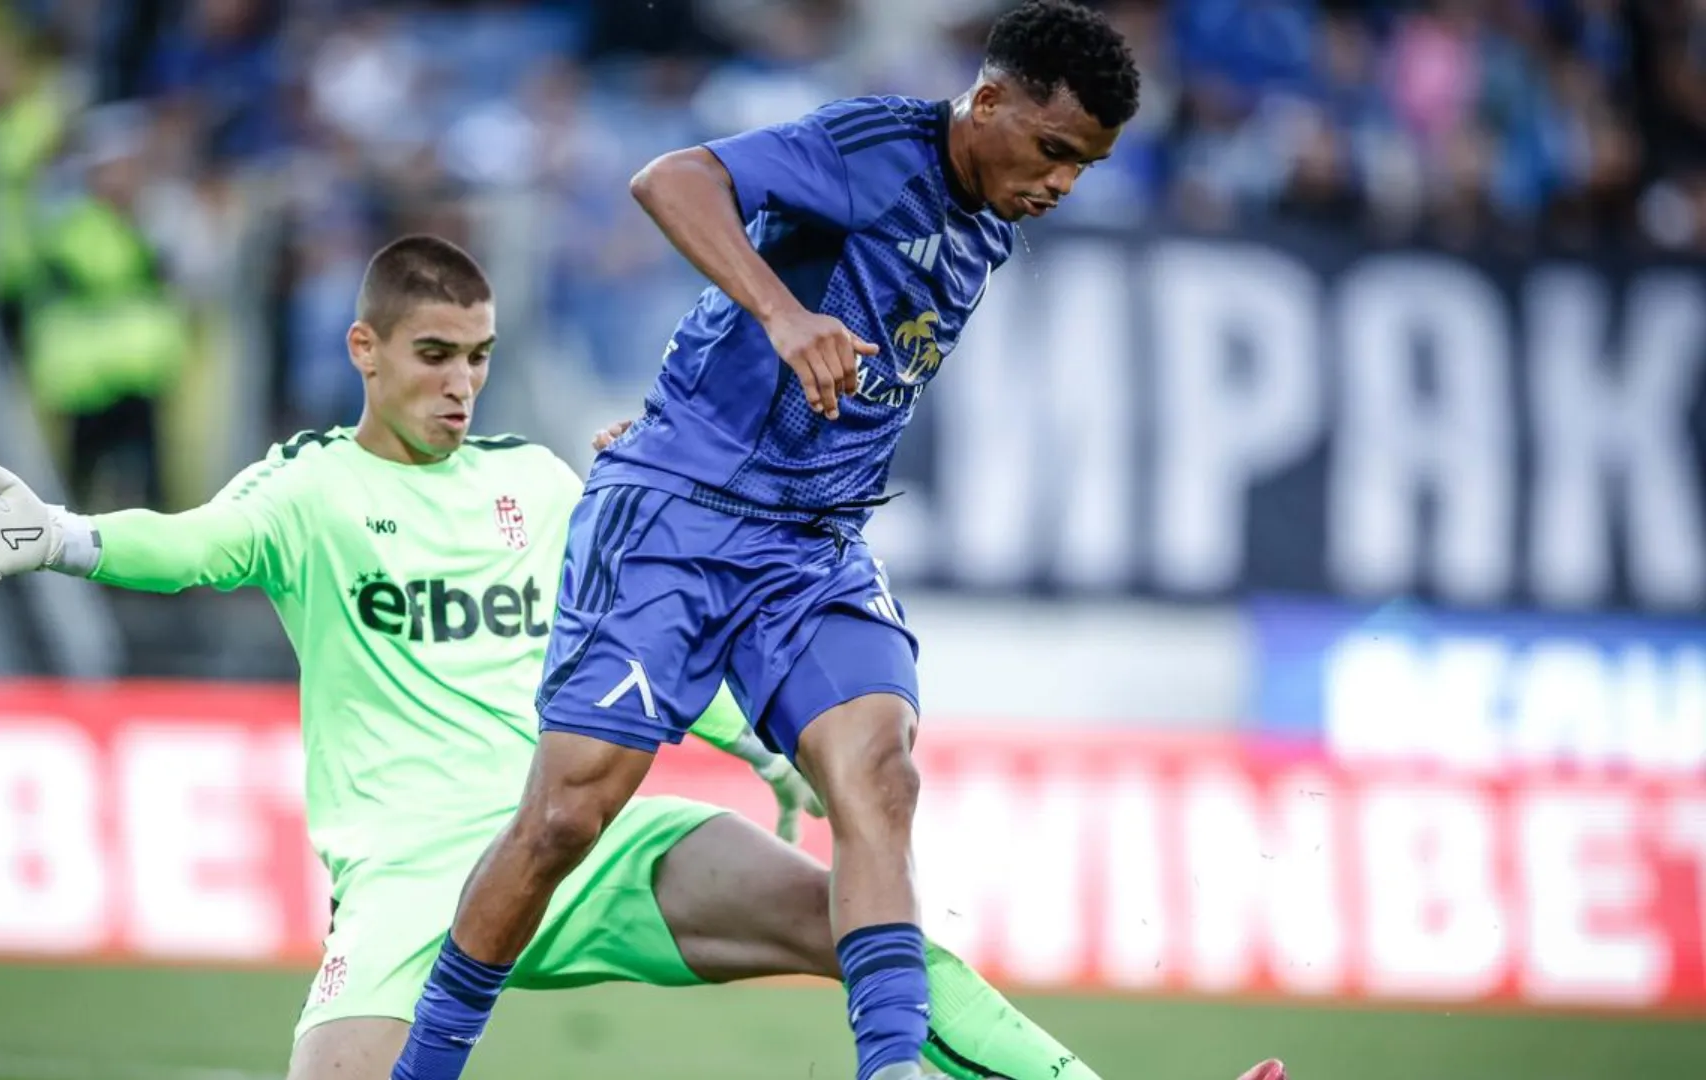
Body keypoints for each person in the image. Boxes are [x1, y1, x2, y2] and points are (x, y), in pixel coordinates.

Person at [0, 236, 1278, 1080]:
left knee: (863, 927)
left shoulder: (546, 483)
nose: (462, 383)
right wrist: (65, 537)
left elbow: (651, 629)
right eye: (435, 357)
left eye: (480, 357)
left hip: (591, 840)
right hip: (409, 883)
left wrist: (758, 745)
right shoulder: (308, 493)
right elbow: (188, 544)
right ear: (365, 352)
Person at [389, 5, 1249, 1080]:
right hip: (679, 521)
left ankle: (888, 1070)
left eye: (1086, 166)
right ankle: (423, 1065)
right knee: (566, 815)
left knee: (880, 776)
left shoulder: (989, 212)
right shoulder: (876, 149)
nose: (1061, 184)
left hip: (811, 547)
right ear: (987, 103)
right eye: (1054, 150)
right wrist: (778, 317)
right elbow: (672, 179)